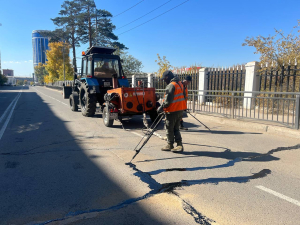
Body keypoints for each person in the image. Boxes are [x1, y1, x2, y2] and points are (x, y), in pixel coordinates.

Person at [157, 70, 187, 152]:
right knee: (176, 128)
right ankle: (179, 145)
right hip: (180, 110)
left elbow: (168, 100)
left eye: (164, 79)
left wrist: (161, 107)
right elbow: (183, 96)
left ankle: (170, 145)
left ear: (167, 77)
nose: (164, 81)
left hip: (173, 110)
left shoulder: (171, 85)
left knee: (169, 128)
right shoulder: (180, 84)